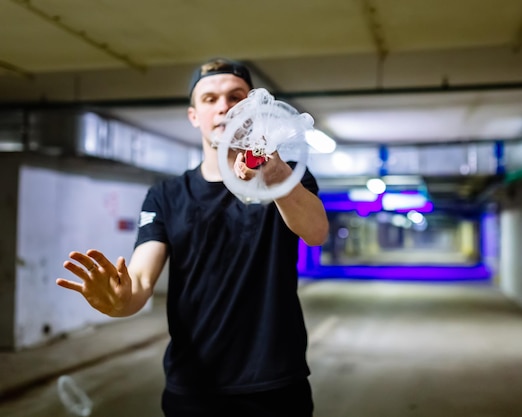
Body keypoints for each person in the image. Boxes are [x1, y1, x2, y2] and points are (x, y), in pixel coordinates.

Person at [56, 57, 329, 417]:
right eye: (210, 99)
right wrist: (118, 301)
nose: (224, 107)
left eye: (236, 97)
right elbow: (139, 281)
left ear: (254, 109)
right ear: (193, 116)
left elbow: (315, 232)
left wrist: (272, 169)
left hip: (275, 384)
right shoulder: (166, 195)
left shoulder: (288, 177)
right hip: (194, 388)